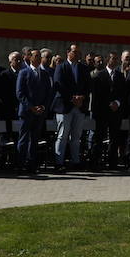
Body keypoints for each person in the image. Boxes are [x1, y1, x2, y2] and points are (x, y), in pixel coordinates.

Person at [52, 45, 90, 173]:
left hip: (79, 107)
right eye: (75, 52)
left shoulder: (83, 68)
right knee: (62, 136)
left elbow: (88, 85)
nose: (78, 54)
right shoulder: (61, 67)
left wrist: (81, 97)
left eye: (79, 52)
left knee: (76, 136)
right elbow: (58, 84)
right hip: (65, 107)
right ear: (68, 52)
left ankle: (76, 161)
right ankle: (59, 162)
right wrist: (72, 98)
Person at [15, 48, 51, 174]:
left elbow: (48, 94)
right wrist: (31, 107)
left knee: (34, 139)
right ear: (30, 58)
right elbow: (20, 93)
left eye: (39, 56)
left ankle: (32, 165)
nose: (38, 58)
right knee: (24, 139)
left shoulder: (45, 74)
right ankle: (20, 164)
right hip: (27, 112)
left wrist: (43, 107)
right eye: (35, 56)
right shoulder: (23, 73)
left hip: (39, 112)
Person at [90, 51, 124, 170]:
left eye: (116, 59)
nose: (114, 61)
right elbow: (97, 96)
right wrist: (107, 104)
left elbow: (122, 94)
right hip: (102, 112)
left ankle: (112, 163)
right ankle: (95, 162)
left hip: (115, 112)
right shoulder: (99, 75)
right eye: (112, 59)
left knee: (114, 138)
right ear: (107, 60)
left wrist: (117, 103)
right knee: (98, 138)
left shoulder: (120, 76)